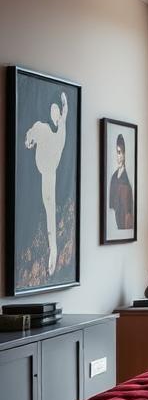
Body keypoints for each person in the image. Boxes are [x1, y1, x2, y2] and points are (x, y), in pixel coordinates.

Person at [24, 91, 68, 275]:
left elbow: (65, 112)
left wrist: (65, 102)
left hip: (50, 175)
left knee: (50, 208)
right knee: (49, 207)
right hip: (47, 174)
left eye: (56, 110)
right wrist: (30, 142)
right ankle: (53, 249)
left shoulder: (59, 132)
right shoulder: (42, 128)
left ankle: (53, 250)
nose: (55, 113)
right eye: (53, 110)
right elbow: (28, 140)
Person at [108, 133, 134, 230]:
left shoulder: (127, 178)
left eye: (120, 152)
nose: (118, 156)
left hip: (125, 223)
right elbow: (111, 205)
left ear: (124, 154)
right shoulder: (114, 177)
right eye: (117, 152)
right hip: (115, 222)